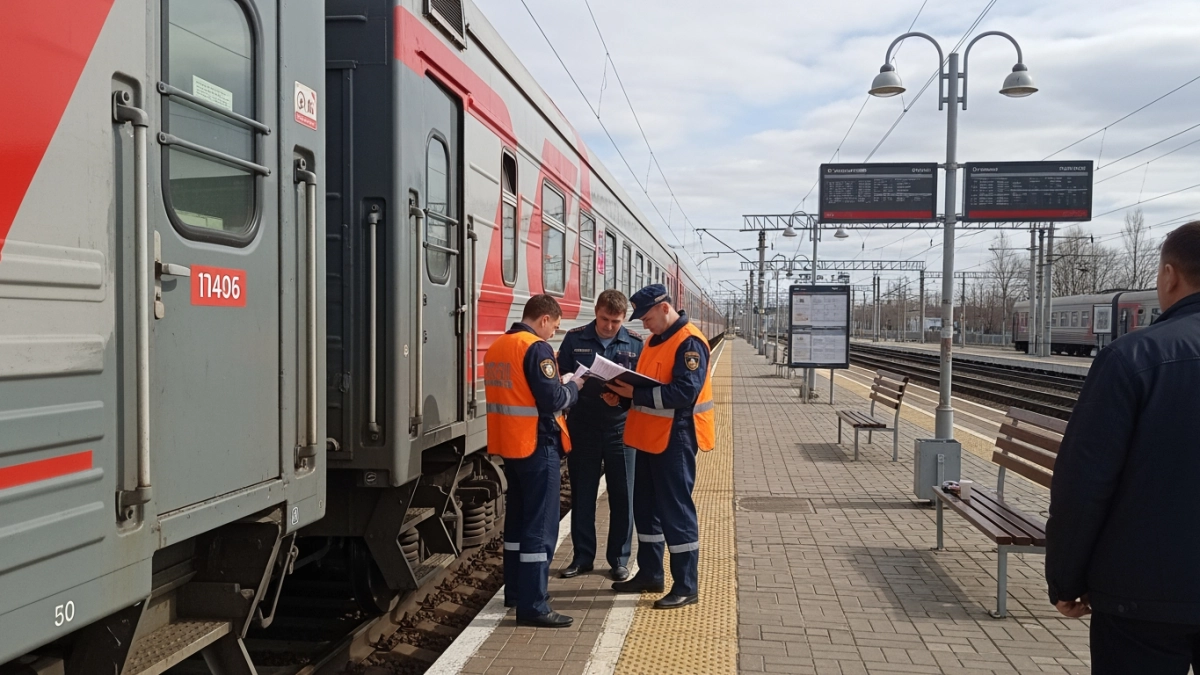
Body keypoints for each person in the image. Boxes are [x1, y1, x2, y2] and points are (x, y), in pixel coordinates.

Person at [1046, 221, 1200, 673]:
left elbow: (1084, 483)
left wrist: (1066, 580)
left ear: (1169, 276)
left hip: (1143, 596)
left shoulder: (1133, 357)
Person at [605, 284, 715, 610]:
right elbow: (648, 388)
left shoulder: (690, 342)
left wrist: (632, 395)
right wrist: (619, 397)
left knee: (676, 512)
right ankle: (651, 573)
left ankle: (686, 584)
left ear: (665, 308)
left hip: (676, 438)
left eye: (647, 317)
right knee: (647, 509)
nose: (644, 324)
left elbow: (683, 393)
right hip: (649, 437)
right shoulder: (653, 342)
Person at [484, 295, 582, 628]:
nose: (553, 333)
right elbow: (552, 398)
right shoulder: (536, 348)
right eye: (554, 326)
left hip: (510, 446)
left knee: (516, 525)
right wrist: (574, 387)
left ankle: (516, 592)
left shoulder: (499, 346)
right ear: (543, 319)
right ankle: (534, 605)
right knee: (541, 527)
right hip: (538, 445)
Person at [556, 290, 643, 582]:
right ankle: (582, 557)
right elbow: (562, 377)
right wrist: (570, 381)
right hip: (584, 426)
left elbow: (641, 390)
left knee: (624, 495)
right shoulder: (574, 338)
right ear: (596, 312)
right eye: (605, 319)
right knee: (583, 494)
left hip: (621, 428)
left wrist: (621, 400)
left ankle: (619, 559)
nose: (608, 326)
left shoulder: (635, 342)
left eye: (615, 322)